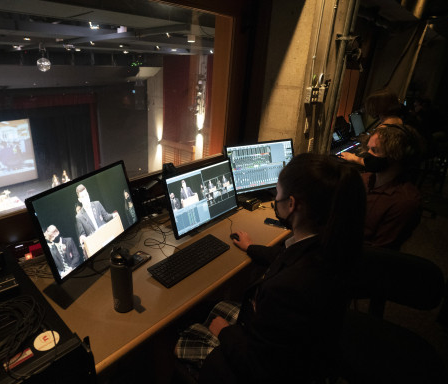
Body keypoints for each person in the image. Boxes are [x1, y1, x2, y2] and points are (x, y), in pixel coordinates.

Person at [175, 153, 366, 383]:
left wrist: (225, 331)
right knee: (216, 305)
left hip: (267, 369)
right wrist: (251, 247)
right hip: (307, 353)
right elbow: (287, 254)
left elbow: (257, 366)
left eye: (277, 193)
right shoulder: (333, 245)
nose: (276, 199)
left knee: (180, 338)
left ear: (292, 204)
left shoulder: (288, 288)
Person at [340, 124, 423, 249]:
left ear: (396, 156)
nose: (367, 155)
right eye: (368, 149)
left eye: (374, 150)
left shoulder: (405, 202)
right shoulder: (365, 178)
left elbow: (379, 253)